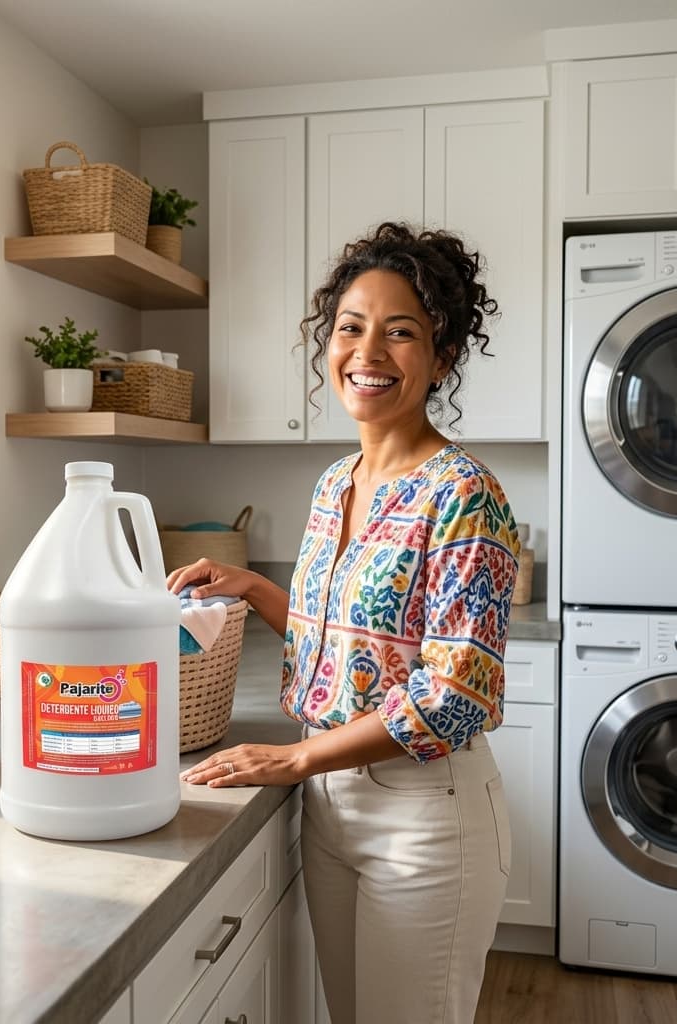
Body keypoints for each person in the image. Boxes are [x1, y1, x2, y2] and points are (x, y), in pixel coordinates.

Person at [168, 221, 520, 1024]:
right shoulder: (336, 483)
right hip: (333, 804)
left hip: (424, 816)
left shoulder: (463, 492)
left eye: (402, 333)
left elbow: (454, 695)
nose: (369, 351)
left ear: (443, 358)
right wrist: (258, 590)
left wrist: (296, 757)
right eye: (351, 328)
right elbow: (353, 649)